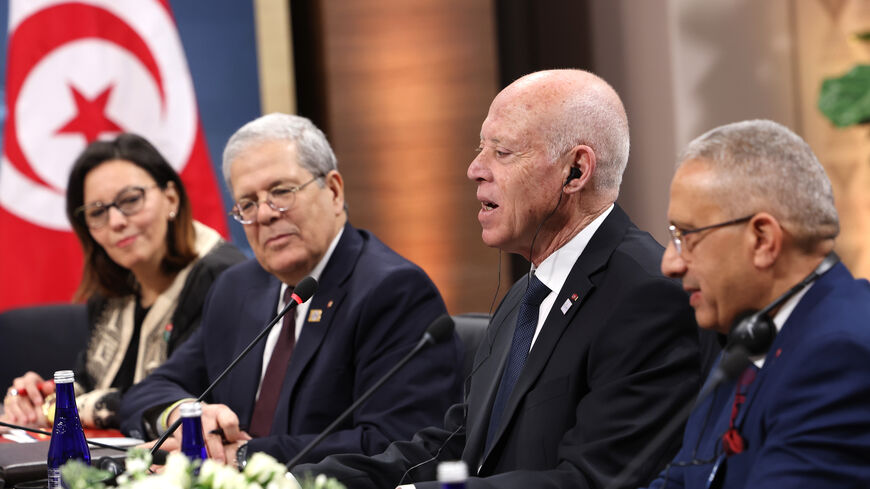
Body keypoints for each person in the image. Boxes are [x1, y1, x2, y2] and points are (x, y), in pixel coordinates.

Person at [293, 69, 703, 489]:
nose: (474, 169)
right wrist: (294, 482)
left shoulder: (648, 297)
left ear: (575, 171)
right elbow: (455, 447)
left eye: (502, 152)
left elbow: (592, 480)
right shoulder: (525, 296)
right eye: (480, 148)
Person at [119, 113, 463, 467]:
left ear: (333, 190)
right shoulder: (236, 288)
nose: (265, 214)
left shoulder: (392, 291)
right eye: (248, 204)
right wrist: (188, 415)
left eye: (281, 192)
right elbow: (149, 390)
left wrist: (243, 457)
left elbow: (398, 439)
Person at [642, 119, 870, 488]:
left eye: (686, 236)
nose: (670, 263)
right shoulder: (750, 335)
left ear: (762, 240)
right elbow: (681, 482)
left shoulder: (839, 355)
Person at [1, 133, 245, 430]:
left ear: (171, 197)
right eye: (97, 212)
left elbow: (188, 396)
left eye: (130, 200)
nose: (116, 222)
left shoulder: (225, 279)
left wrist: (66, 408)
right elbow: (91, 384)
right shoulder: (113, 289)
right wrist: (41, 398)